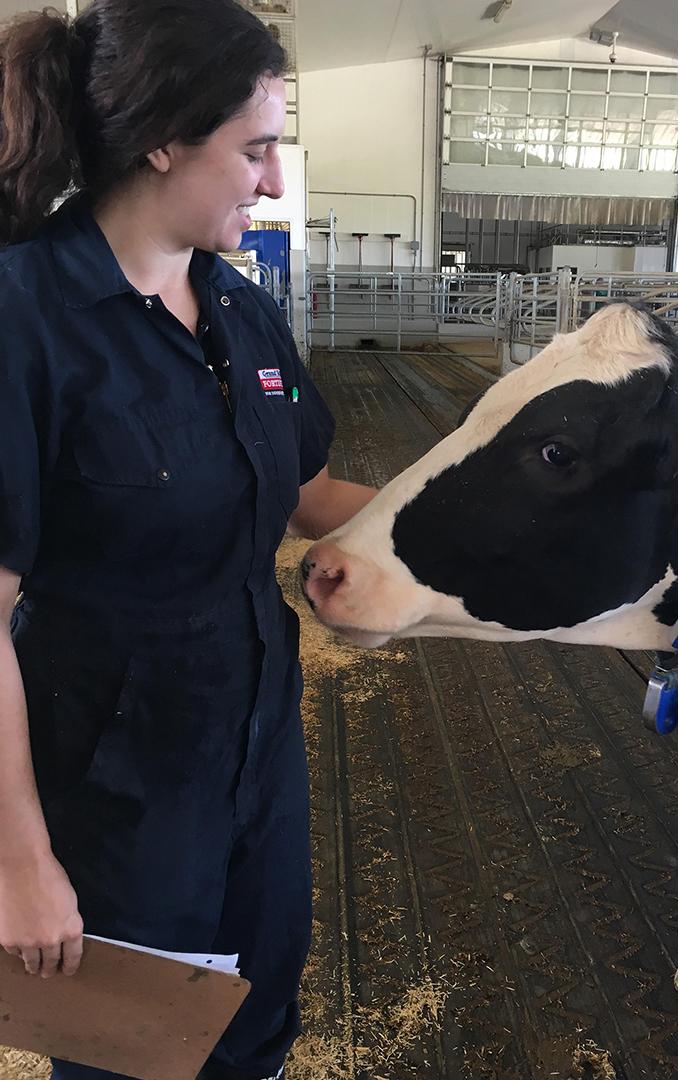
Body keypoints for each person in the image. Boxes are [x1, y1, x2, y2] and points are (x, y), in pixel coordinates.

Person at [0, 2, 376, 1077]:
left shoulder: (241, 313)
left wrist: (476, 527)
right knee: (131, 1054)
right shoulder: (26, 320)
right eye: (254, 150)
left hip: (255, 744)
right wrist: (19, 862)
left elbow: (302, 488)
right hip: (112, 774)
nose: (274, 184)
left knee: (258, 1014)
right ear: (162, 138)